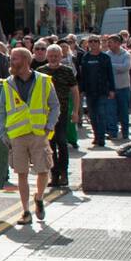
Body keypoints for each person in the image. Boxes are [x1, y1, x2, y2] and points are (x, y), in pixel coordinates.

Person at [0, 48, 60, 225]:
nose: (11, 62)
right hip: (16, 135)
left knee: (43, 170)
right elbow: (1, 110)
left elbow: (54, 105)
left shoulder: (43, 80)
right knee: (21, 174)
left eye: (15, 59)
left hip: (39, 133)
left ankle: (39, 197)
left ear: (25, 60)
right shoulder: (7, 83)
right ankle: (25, 211)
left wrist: (49, 126)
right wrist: (3, 133)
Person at [40, 44, 80, 191]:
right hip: (45, 114)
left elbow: (75, 92)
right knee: (49, 144)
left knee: (62, 142)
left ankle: (64, 173)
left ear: (61, 56)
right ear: (47, 56)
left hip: (62, 112)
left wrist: (75, 111)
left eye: (56, 55)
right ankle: (54, 174)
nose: (53, 58)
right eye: (51, 56)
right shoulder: (41, 72)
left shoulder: (67, 71)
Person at [76, 35, 116, 148]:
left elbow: (110, 75)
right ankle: (96, 136)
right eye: (91, 41)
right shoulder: (85, 57)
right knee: (92, 116)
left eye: (95, 41)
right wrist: (82, 90)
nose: (93, 43)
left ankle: (102, 138)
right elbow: (83, 75)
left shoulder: (105, 57)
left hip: (102, 91)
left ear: (99, 43)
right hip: (89, 91)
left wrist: (112, 89)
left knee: (102, 114)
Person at [106, 35, 131, 141]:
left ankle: (125, 133)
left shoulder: (126, 54)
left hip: (124, 88)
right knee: (111, 112)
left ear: (117, 43)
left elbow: (125, 67)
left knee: (124, 112)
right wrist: (117, 66)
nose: (109, 44)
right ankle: (113, 133)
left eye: (111, 42)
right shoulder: (107, 55)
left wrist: (111, 65)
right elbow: (106, 69)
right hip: (111, 89)